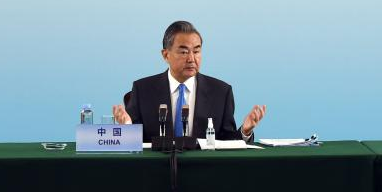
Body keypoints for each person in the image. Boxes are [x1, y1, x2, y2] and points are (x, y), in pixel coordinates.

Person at [112, 21, 266, 142]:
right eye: (184, 52)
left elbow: (227, 142)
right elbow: (133, 143)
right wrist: (127, 127)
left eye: (197, 51)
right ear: (165, 55)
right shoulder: (142, 90)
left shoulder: (221, 92)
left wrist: (245, 131)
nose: (192, 59)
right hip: (157, 169)